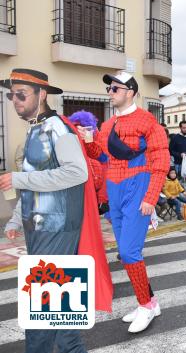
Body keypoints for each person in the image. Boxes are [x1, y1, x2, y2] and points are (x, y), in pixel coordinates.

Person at [1, 68, 112, 353]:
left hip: (57, 229)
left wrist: (18, 179)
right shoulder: (36, 128)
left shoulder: (58, 128)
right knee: (58, 319)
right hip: (41, 228)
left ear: (42, 95)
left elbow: (77, 173)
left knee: (43, 317)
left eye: (21, 94)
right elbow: (36, 178)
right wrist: (16, 217)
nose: (15, 100)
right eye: (12, 94)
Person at [80, 72, 170, 333]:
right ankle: (150, 302)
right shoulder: (107, 125)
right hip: (115, 189)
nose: (110, 92)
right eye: (109, 88)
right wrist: (88, 141)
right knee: (127, 253)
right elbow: (102, 158)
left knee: (130, 252)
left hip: (137, 186)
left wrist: (151, 197)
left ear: (130, 91)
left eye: (115, 88)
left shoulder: (147, 120)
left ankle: (145, 305)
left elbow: (161, 160)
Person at [68, 110, 109, 214]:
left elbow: (104, 161)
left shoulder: (95, 143)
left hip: (91, 193)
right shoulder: (69, 140)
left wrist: (102, 200)